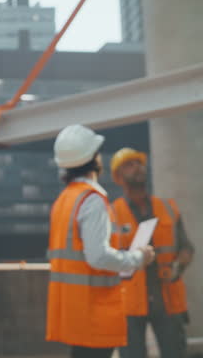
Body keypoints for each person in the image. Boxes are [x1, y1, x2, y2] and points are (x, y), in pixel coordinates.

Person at [46, 125, 155, 358]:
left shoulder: (64, 200)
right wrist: (137, 258)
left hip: (72, 309)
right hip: (93, 310)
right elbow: (98, 257)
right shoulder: (91, 200)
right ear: (94, 158)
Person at [110, 147, 194, 358]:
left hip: (167, 296)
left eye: (139, 163)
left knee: (175, 353)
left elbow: (186, 247)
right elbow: (108, 257)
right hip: (129, 302)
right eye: (129, 165)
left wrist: (179, 265)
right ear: (119, 177)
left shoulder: (167, 207)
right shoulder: (111, 213)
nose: (137, 168)